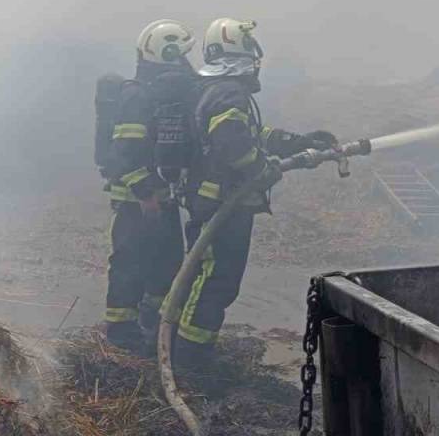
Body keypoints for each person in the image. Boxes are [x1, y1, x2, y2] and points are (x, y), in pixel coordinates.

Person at [173, 18, 338, 366]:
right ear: (240, 50)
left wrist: (297, 142)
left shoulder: (215, 89)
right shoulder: (229, 91)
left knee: (205, 276)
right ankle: (191, 358)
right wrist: (262, 170)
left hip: (215, 200)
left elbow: (249, 132)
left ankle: (186, 347)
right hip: (222, 203)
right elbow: (232, 143)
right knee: (215, 282)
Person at [102, 19, 197, 352]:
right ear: (166, 53)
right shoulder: (137, 96)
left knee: (168, 260)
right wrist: (144, 193)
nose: (186, 63)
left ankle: (152, 321)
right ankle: (120, 331)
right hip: (135, 200)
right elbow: (123, 154)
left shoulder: (162, 96)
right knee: (131, 262)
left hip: (162, 197)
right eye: (180, 54)